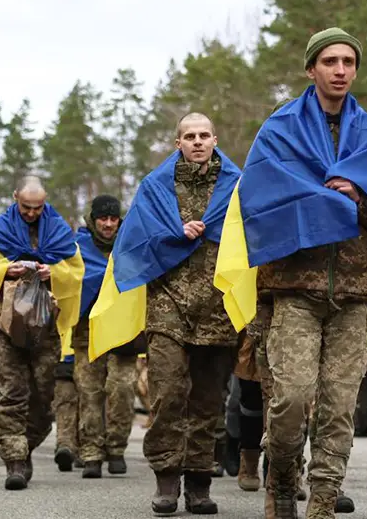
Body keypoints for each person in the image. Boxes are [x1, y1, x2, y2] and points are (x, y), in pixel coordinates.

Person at [213, 27, 367, 518]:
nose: (341, 70)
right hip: (293, 289)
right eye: (330, 61)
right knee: (289, 399)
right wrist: (322, 195)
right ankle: (282, 481)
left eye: (348, 61)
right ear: (312, 69)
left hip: (354, 290)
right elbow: (258, 206)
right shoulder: (279, 131)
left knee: (338, 408)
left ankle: (323, 502)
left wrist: (359, 196)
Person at [89, 113, 242, 514]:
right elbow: (135, 241)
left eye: (203, 135)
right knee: (168, 393)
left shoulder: (237, 186)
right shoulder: (156, 187)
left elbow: (251, 235)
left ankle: (200, 483)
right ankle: (166, 479)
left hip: (217, 309)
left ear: (215, 138)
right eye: (189, 136)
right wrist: (175, 232)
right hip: (167, 307)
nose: (197, 142)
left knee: (208, 401)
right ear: (178, 142)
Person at [0, 176, 84, 491]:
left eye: (38, 207)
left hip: (46, 328)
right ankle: (15, 461)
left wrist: (55, 272)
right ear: (15, 199)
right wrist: (4, 270)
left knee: (43, 394)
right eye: (26, 207)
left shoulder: (60, 230)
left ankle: (25, 446)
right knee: (11, 394)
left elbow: (76, 272)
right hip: (8, 326)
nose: (32, 213)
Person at [71, 194, 139, 479]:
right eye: (103, 219)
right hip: (87, 329)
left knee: (122, 389)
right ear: (93, 219)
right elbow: (70, 278)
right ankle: (90, 452)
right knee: (89, 391)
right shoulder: (77, 247)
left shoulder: (131, 243)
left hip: (122, 328)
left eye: (113, 219)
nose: (108, 224)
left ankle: (117, 448)